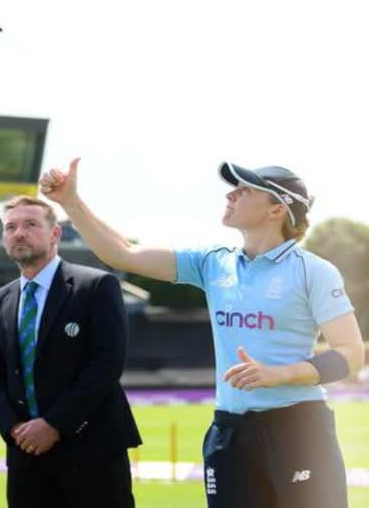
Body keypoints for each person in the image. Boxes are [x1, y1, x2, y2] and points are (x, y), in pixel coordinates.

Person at [39, 159, 365, 508]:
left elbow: (350, 354)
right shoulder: (213, 262)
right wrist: (70, 202)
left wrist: (280, 375)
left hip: (299, 429)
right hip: (229, 430)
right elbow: (123, 254)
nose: (231, 194)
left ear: (277, 209)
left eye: (245, 189)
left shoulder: (314, 271)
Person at [0, 195, 141, 508]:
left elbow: (106, 364)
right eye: (10, 227)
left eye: (30, 224)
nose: (19, 233)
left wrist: (54, 424)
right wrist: (15, 429)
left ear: (55, 234)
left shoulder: (95, 286)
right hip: (26, 454)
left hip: (91, 450)